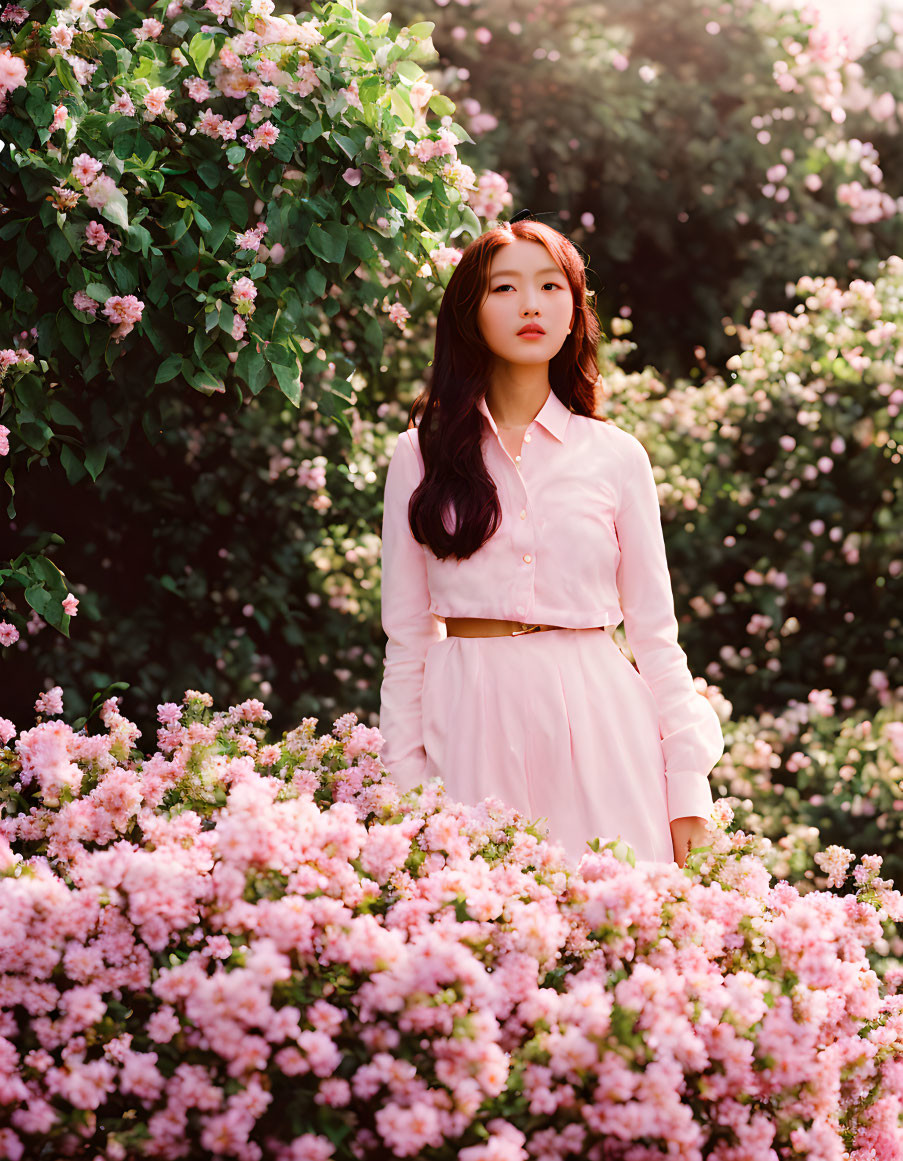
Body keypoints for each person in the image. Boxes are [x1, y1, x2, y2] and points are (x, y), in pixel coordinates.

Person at [377, 214, 725, 868]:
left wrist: (687, 792)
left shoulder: (616, 456)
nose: (530, 304)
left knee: (615, 932)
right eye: (503, 288)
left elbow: (655, 636)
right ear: (469, 312)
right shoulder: (418, 454)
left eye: (549, 287)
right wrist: (405, 787)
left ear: (573, 313)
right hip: (468, 717)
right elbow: (405, 635)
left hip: (600, 719)